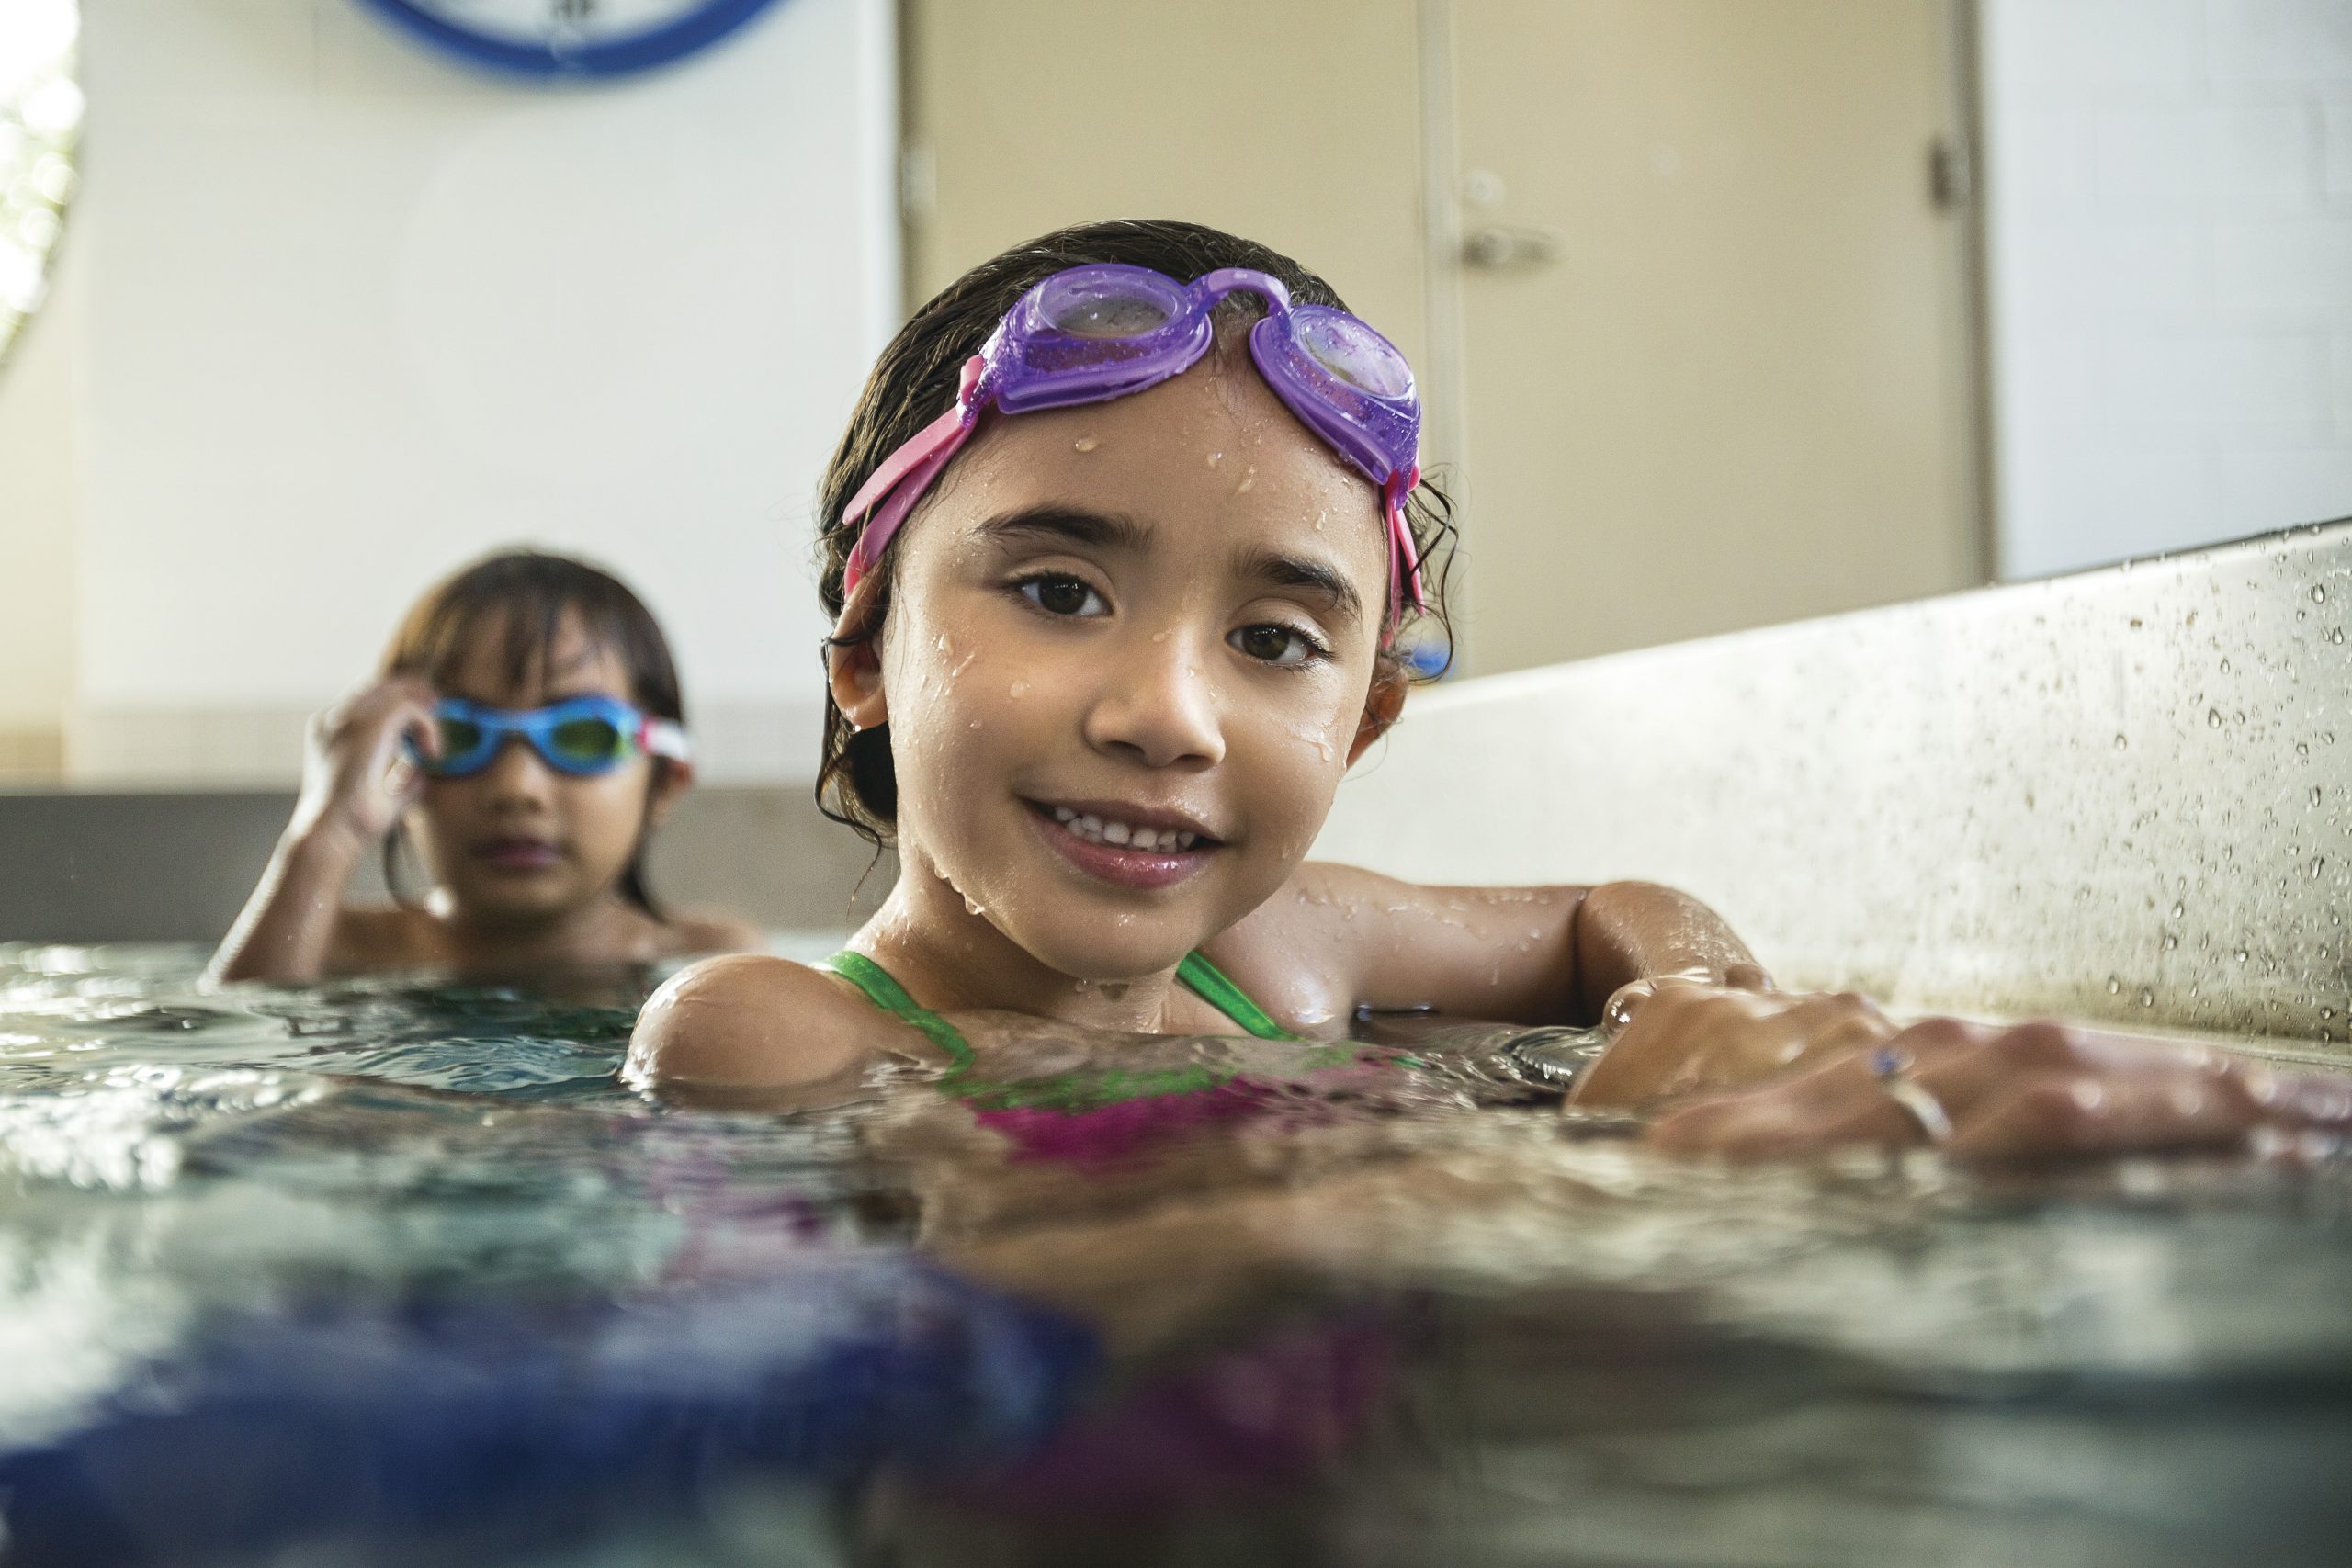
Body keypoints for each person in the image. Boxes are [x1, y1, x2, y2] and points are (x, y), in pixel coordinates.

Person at [628, 220, 2349, 1165]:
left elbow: (1617, 908)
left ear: (1364, 720)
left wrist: (1694, 1010)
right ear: (861, 653)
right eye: (1061, 589)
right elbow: (1089, 1283)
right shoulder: (766, 1030)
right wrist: (1598, 1186)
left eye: (1279, 641)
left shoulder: (1287, 950)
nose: (1173, 712)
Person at [210, 550, 760, 983]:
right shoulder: (332, 949)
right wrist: (327, 833)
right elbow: (238, 1058)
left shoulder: (706, 962)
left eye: (581, 735)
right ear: (401, 771)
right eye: (460, 735)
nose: (516, 788)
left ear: (664, 782)